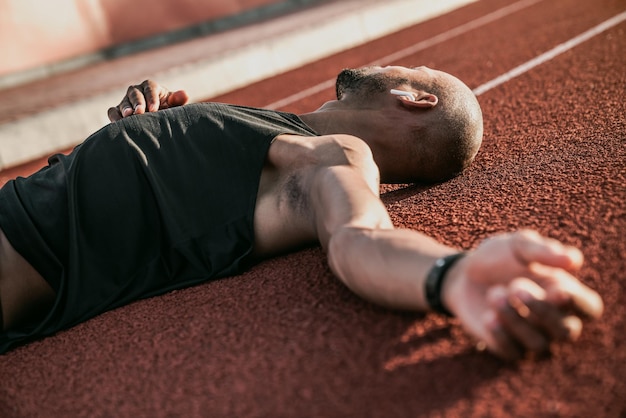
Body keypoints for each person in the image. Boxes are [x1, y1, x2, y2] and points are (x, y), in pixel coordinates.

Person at [0, 66, 603, 359]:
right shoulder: (280, 135)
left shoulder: (334, 155)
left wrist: (451, 275)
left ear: (414, 98)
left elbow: (358, 236)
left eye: (412, 66)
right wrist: (140, 133)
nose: (391, 61)